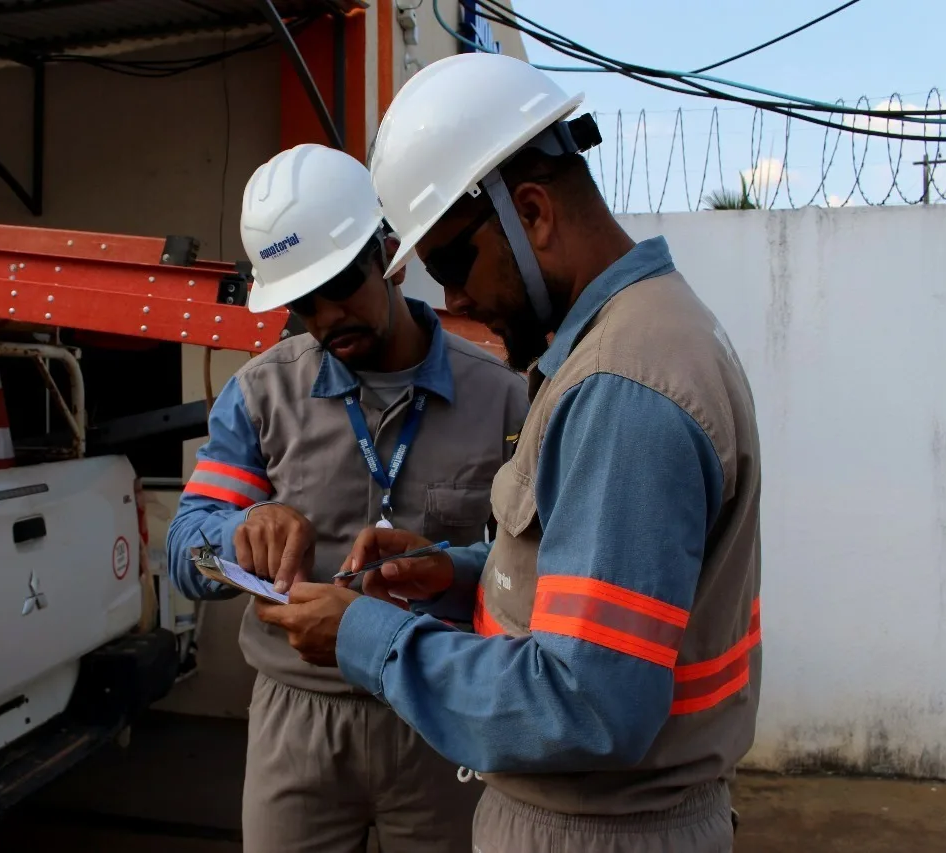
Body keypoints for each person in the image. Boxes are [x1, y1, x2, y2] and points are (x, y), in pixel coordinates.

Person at [257, 52, 763, 853]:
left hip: (597, 829)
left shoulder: (621, 386)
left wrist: (364, 635)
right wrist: (458, 571)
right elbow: (585, 588)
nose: (452, 299)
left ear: (531, 212)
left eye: (454, 263)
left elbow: (588, 705)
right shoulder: (637, 337)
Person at [165, 142, 528, 853]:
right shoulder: (261, 396)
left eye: (342, 282)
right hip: (296, 723)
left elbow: (531, 566)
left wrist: (453, 564)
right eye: (304, 302)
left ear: (388, 253)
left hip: (437, 712)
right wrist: (241, 530)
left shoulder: (502, 397)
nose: (328, 317)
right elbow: (184, 549)